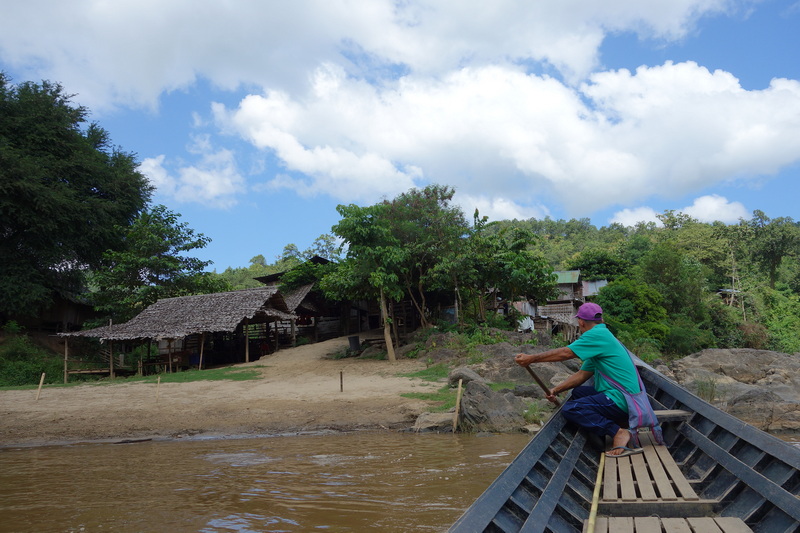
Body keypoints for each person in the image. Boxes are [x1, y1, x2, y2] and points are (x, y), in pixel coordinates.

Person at [515, 302, 642, 457]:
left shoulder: (596, 335)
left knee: (571, 408)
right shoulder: (603, 337)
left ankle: (618, 432)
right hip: (626, 399)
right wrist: (556, 390)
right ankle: (606, 429)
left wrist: (531, 359)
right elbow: (582, 375)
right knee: (579, 392)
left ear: (581, 322)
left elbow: (566, 353)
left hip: (624, 400)